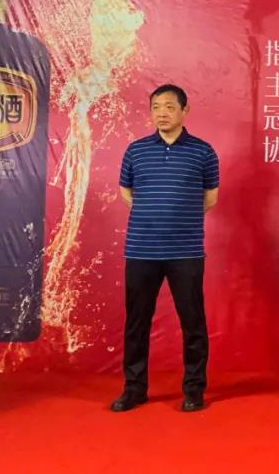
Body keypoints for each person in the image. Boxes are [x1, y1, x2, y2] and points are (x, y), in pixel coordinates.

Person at [110, 84, 220, 413]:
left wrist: (177, 218)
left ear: (185, 111)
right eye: (156, 107)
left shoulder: (203, 152)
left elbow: (210, 198)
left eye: (170, 107)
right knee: (137, 322)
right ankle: (134, 388)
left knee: (193, 322)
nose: (162, 113)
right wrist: (152, 214)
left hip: (186, 251)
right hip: (141, 250)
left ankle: (194, 389)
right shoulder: (136, 150)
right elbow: (126, 192)